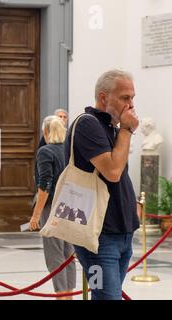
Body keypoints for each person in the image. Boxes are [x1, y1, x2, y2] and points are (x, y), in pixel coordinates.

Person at [65, 69, 139, 300]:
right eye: (125, 97)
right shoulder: (88, 125)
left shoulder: (111, 128)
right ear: (104, 96)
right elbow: (113, 172)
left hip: (122, 234)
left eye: (132, 98)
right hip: (97, 239)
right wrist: (127, 130)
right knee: (106, 297)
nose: (131, 104)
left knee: (104, 296)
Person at [29, 116, 76, 300]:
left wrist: (36, 215)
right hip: (71, 207)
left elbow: (45, 185)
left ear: (46, 132)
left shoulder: (45, 151)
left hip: (53, 208)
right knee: (68, 253)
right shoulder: (69, 151)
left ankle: (61, 296)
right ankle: (69, 295)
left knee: (54, 254)